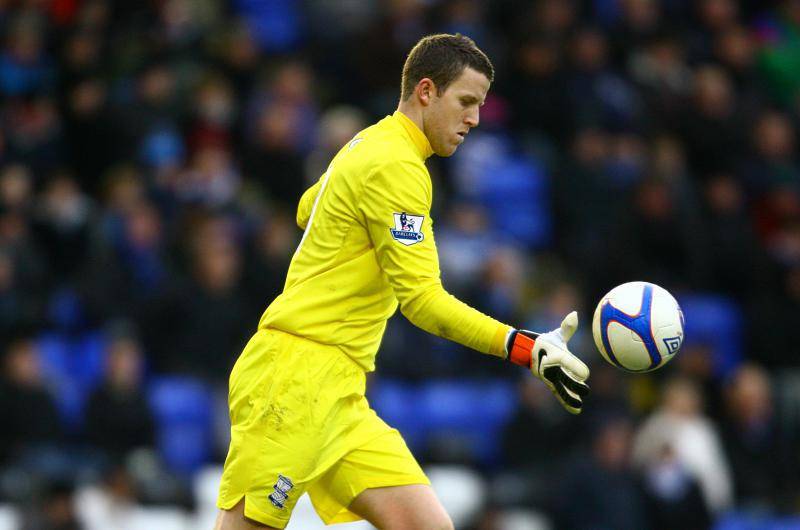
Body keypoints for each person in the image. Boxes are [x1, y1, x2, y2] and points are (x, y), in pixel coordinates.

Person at [214, 33, 590, 530]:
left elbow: (309, 208)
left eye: (480, 106)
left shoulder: (369, 142)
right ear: (427, 92)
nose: (475, 119)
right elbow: (423, 303)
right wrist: (523, 347)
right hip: (295, 379)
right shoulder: (397, 165)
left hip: (340, 392)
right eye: (467, 102)